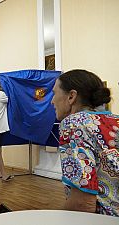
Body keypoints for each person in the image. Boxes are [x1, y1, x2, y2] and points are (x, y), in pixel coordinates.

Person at [51, 69, 118, 216]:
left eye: (54, 93)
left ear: (71, 96)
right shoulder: (115, 120)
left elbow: (83, 203)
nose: (52, 101)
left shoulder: (74, 124)